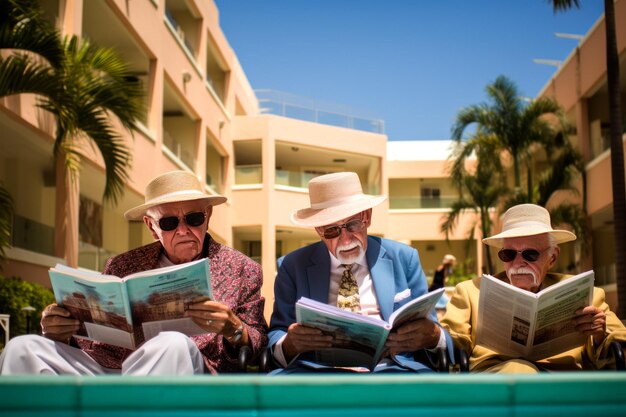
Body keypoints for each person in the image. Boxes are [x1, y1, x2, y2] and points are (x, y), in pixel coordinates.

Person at [0, 170, 267, 375]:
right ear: (152, 227)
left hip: (182, 370)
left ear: (207, 216)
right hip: (105, 369)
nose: (184, 230)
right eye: (169, 222)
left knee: (172, 343)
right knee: (22, 348)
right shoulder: (121, 265)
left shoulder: (243, 269)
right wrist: (61, 330)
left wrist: (234, 328)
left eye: (194, 218)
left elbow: (257, 345)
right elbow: (88, 336)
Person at [269, 172, 453, 373]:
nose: (346, 240)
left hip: (392, 371)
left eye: (353, 225)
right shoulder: (292, 265)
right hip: (318, 373)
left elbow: (434, 333)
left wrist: (434, 336)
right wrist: (289, 344)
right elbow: (275, 337)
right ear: (318, 230)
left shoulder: (404, 258)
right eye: (331, 230)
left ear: (367, 217)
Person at [441, 203, 626, 373]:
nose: (518, 262)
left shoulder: (583, 292)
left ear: (552, 258)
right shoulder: (471, 291)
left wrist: (600, 335)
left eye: (530, 254)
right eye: (509, 254)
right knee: (519, 369)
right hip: (495, 380)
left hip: (561, 383)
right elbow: (448, 342)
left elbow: (621, 346)